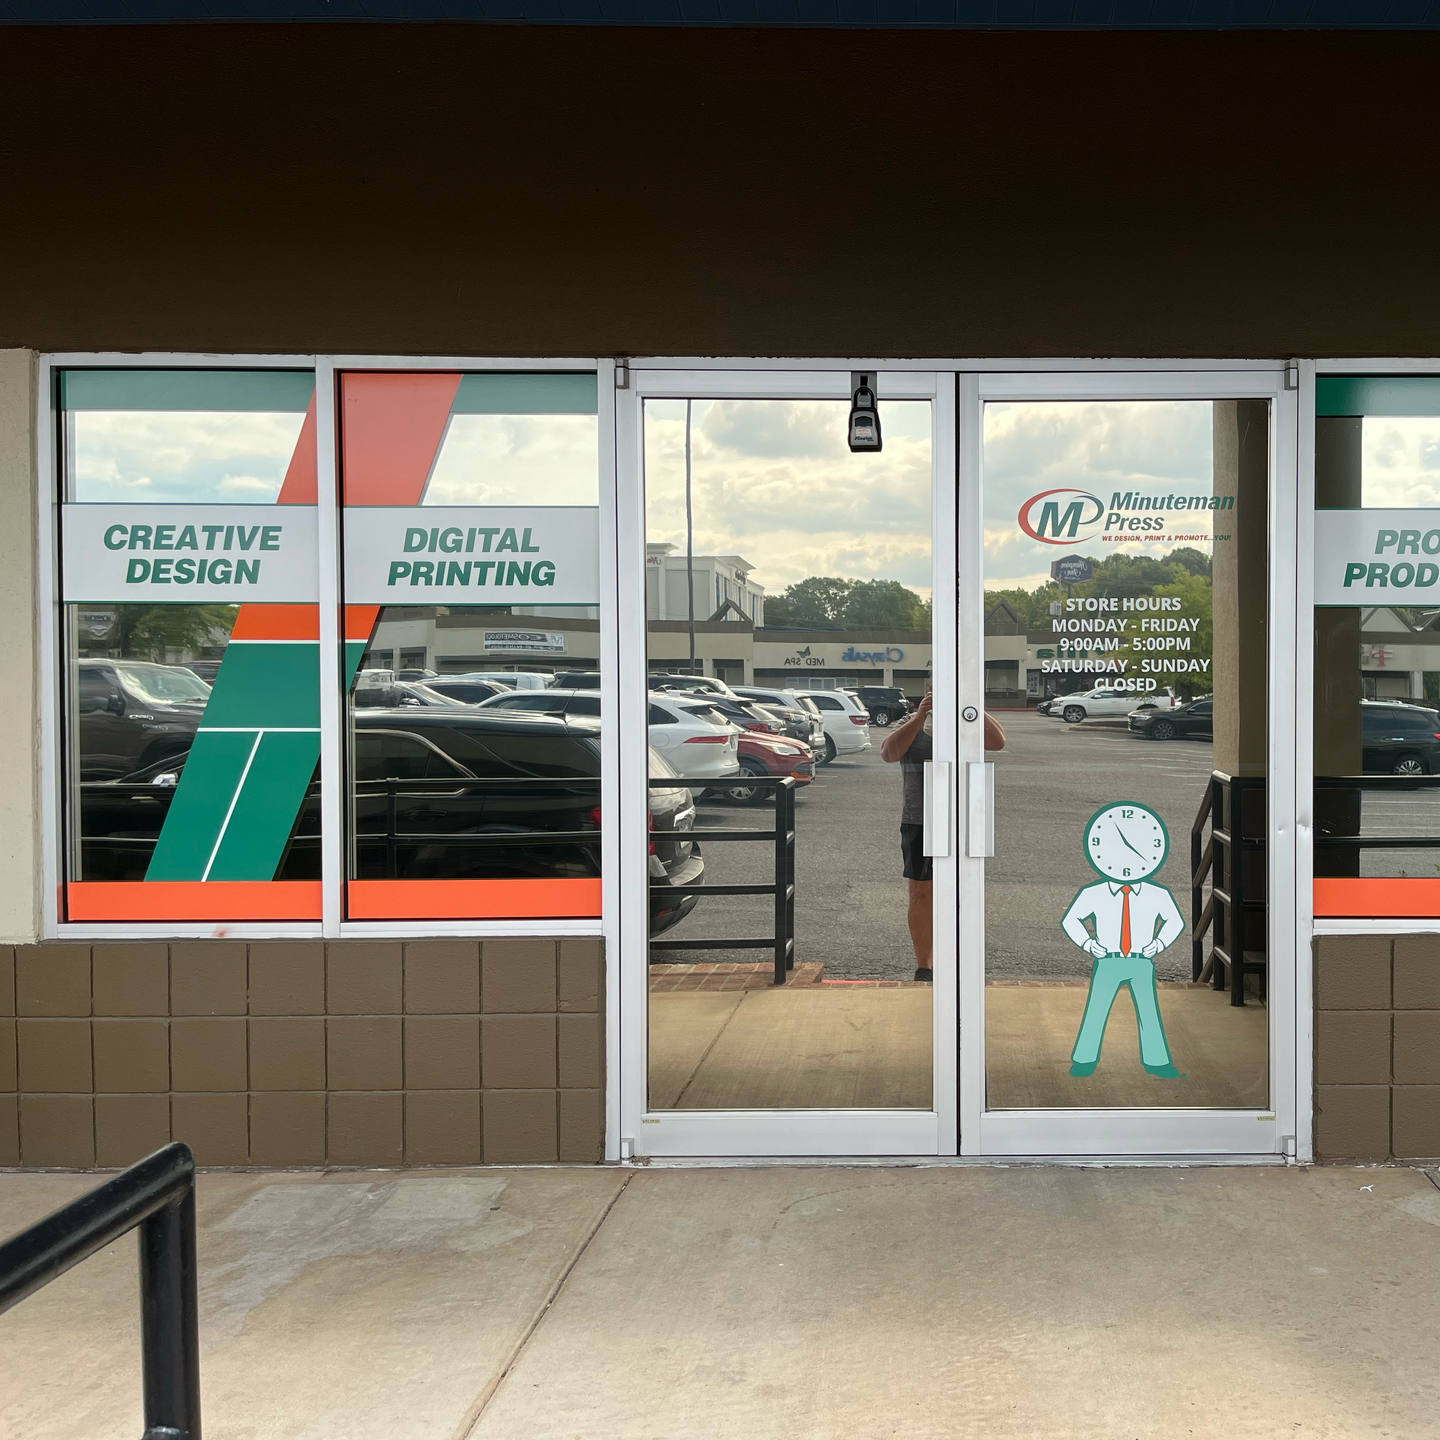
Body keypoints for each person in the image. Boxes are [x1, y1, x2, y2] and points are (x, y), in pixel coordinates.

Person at [881, 692, 1005, 981]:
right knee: (921, 894)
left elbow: (997, 742)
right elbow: (888, 753)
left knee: (967, 891)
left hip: (965, 818)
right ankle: (925, 966)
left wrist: (972, 704)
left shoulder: (968, 718)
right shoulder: (910, 721)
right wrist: (920, 716)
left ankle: (963, 959)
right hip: (920, 820)